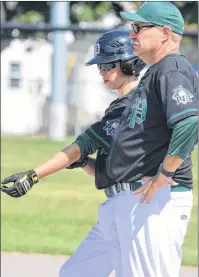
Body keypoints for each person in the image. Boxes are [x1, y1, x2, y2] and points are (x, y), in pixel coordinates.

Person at [1, 30, 148, 277]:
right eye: (99, 65)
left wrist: (33, 176)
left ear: (129, 64)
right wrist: (83, 163)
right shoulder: (121, 103)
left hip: (135, 206)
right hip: (115, 203)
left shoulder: (133, 105)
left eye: (107, 65)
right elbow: (110, 170)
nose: (100, 71)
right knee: (75, 273)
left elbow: (80, 146)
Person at [92, 2, 197, 277]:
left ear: (164, 33)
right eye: (132, 28)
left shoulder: (171, 69)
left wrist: (164, 173)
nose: (132, 35)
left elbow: (189, 123)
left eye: (139, 28)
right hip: (144, 195)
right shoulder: (156, 71)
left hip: (159, 195)